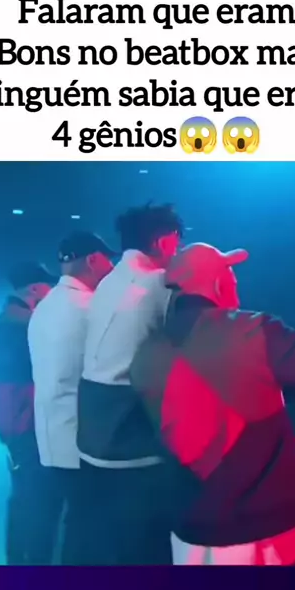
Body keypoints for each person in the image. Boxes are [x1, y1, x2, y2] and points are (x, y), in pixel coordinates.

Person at [130, 243, 295, 566]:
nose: (234, 280)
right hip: (263, 532)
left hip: (190, 531)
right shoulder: (252, 330)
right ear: (217, 282)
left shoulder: (145, 353)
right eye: (229, 272)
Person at [77, 203, 184, 564]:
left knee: (112, 545)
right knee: (148, 548)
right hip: (130, 435)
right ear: (165, 241)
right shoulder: (159, 283)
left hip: (92, 434)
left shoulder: (108, 282)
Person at [28, 231, 115, 565]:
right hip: (83, 438)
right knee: (88, 530)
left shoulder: (45, 306)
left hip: (52, 436)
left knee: (72, 523)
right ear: (93, 260)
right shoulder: (91, 308)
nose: (112, 268)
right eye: (108, 260)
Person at [0, 261, 56, 565]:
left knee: (24, 496)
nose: (51, 291)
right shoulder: (21, 326)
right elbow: (14, 387)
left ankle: (20, 560)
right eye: (47, 285)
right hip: (25, 426)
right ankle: (31, 562)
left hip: (17, 425)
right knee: (34, 498)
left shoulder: (8, 322)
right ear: (35, 289)